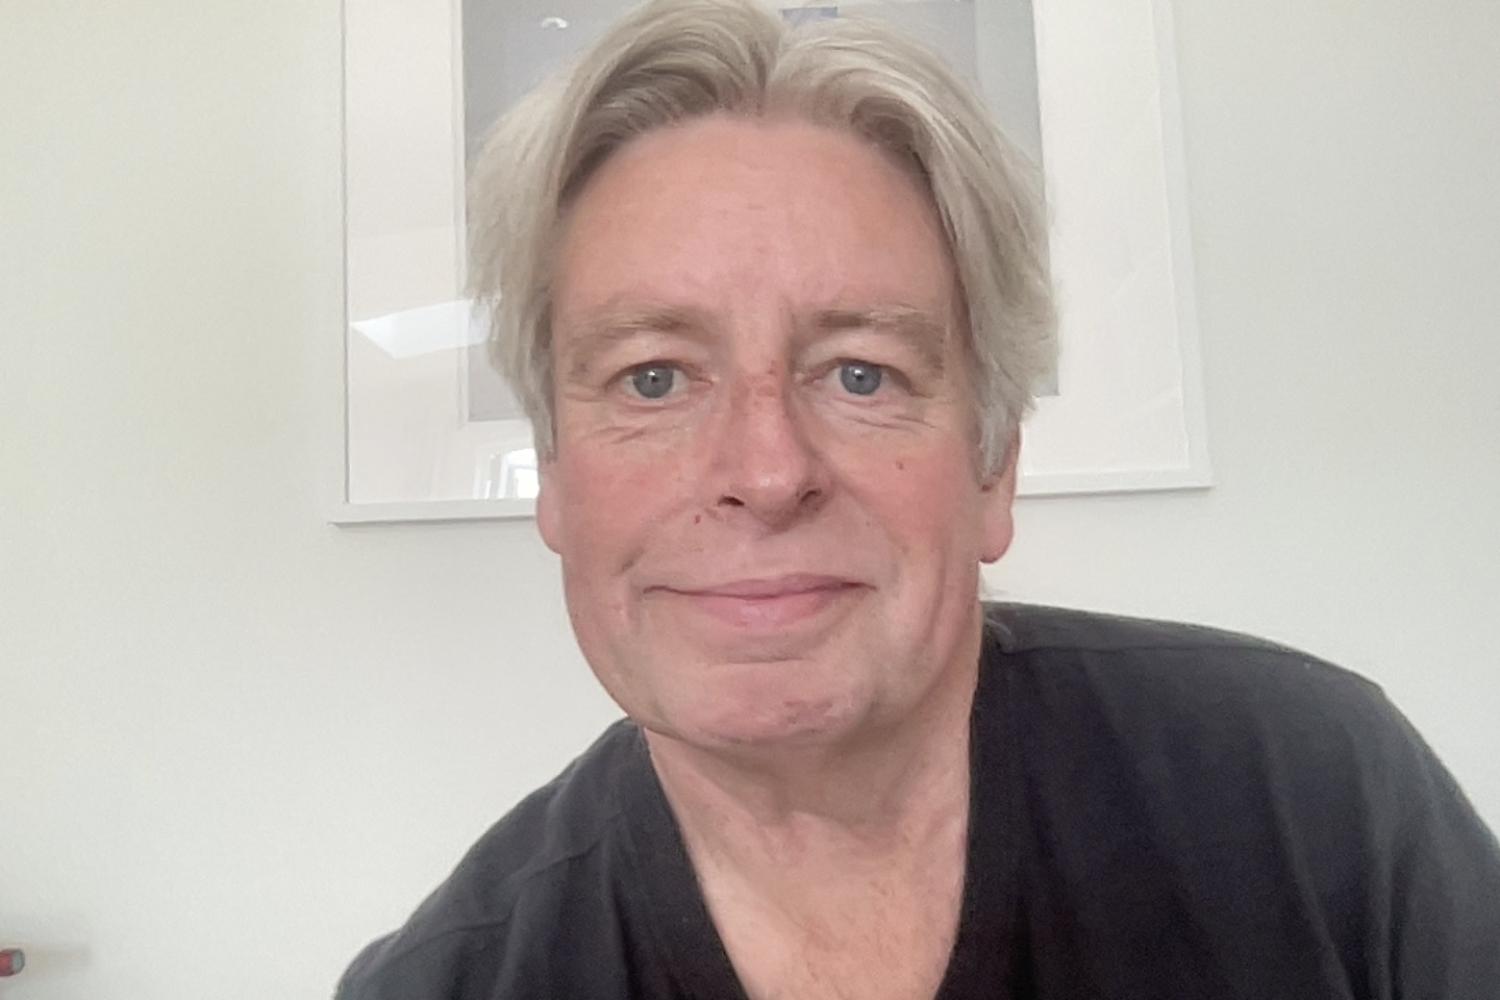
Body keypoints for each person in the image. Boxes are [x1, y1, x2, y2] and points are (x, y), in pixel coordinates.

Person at [337, 1, 1500, 997]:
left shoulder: (1322, 804)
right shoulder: (447, 979)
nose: (766, 469)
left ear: (994, 463)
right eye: (653, 376)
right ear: (552, 472)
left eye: (861, 372)